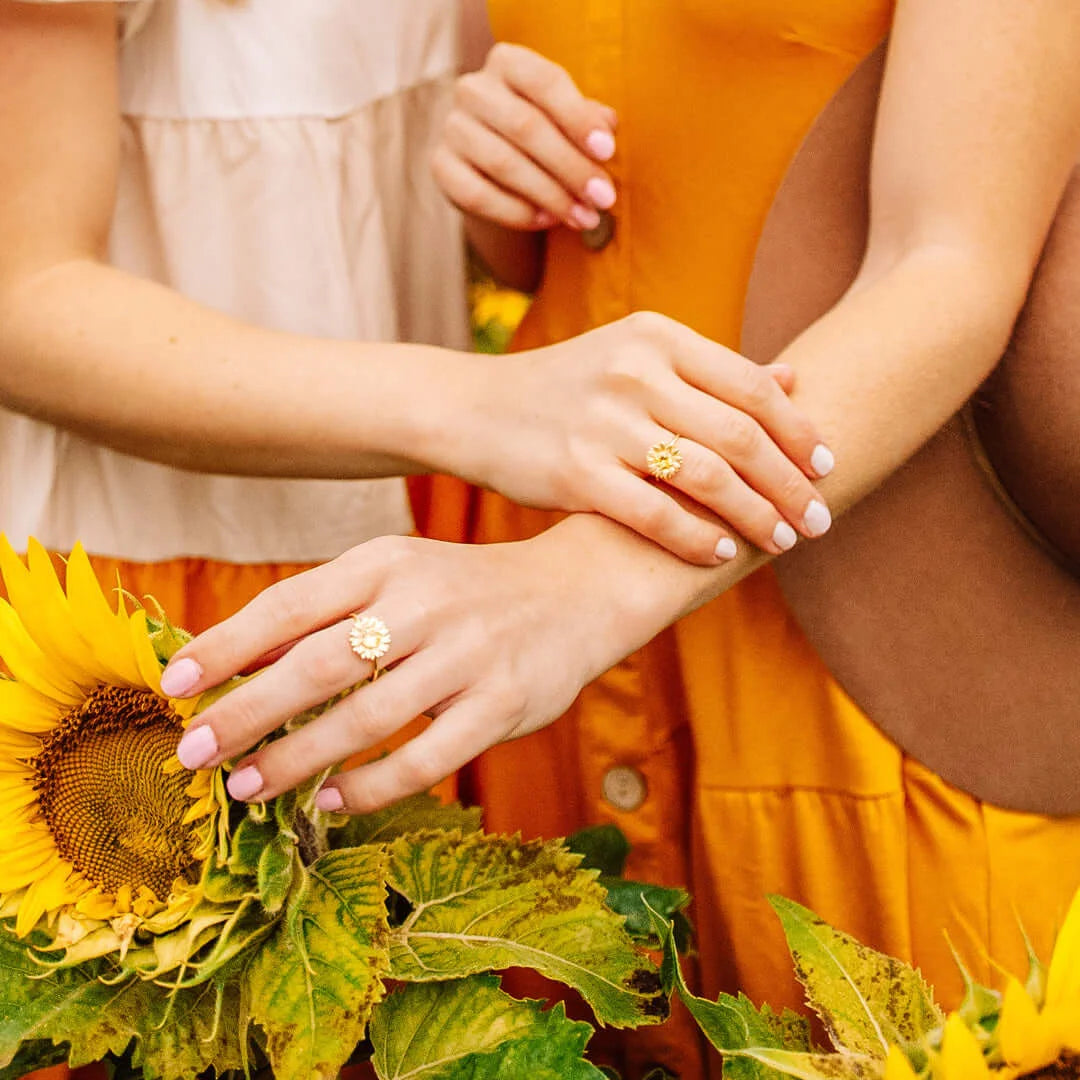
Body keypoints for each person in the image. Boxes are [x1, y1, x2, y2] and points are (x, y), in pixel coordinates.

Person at [160, 1, 1080, 1076]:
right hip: (534, 649)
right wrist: (495, 160)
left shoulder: (588, 594)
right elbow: (554, 244)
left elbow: (952, 266)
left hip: (850, 627)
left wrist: (582, 583)